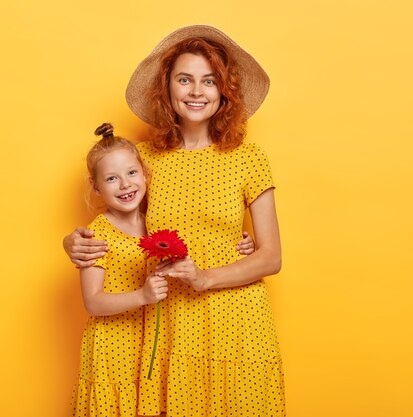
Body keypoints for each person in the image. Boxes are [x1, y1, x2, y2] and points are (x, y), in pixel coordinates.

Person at [64, 25, 285, 417]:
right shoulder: (143, 159)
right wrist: (73, 242)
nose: (197, 92)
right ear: (168, 88)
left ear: (225, 91)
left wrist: (207, 276)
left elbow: (270, 257)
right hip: (173, 321)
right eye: (185, 80)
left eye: (209, 81)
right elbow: (118, 218)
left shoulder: (249, 158)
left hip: (238, 319)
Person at [71, 123, 168, 417]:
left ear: (145, 174)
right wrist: (143, 295)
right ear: (96, 187)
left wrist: (241, 243)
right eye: (112, 178)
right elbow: (93, 301)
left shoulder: (157, 220)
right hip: (112, 351)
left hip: (150, 345)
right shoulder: (97, 235)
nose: (125, 185)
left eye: (131, 173)